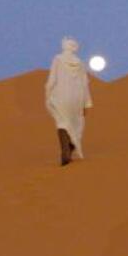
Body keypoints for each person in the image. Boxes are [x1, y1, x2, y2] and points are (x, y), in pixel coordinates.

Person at [45, 36, 93, 165]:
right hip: (77, 98)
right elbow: (84, 84)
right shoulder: (80, 63)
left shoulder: (58, 59)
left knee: (62, 123)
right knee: (76, 124)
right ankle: (71, 148)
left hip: (60, 97)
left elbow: (52, 79)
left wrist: (48, 93)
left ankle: (65, 153)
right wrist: (86, 103)